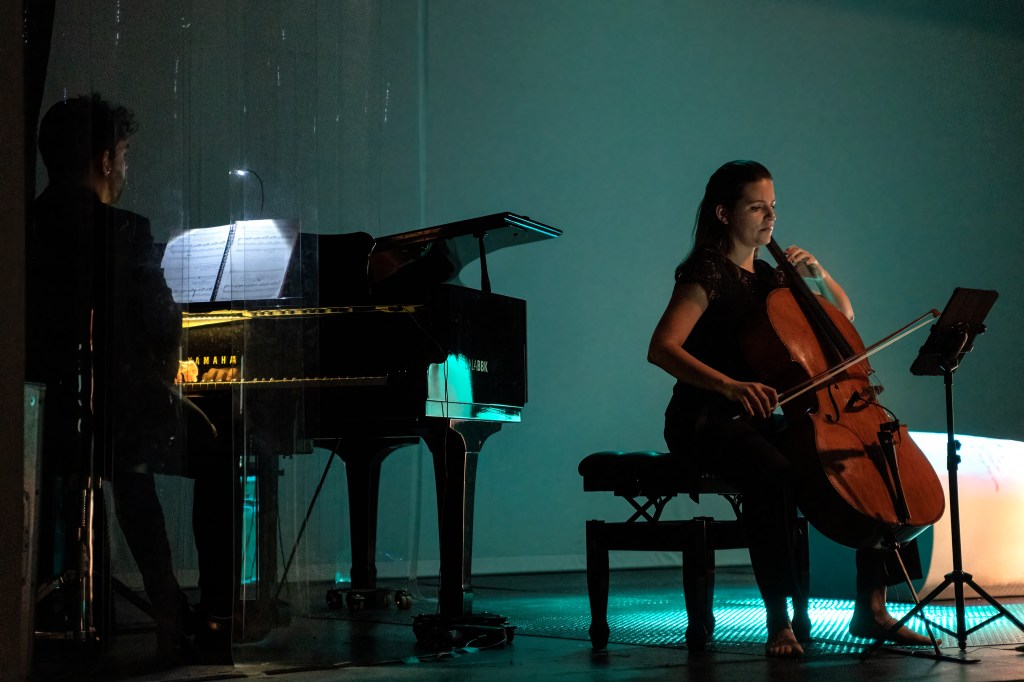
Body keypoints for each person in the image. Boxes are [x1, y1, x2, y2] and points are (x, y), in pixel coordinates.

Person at [647, 160, 932, 658]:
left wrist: (819, 275)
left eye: (773, 206)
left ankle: (873, 608)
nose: (771, 217)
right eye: (757, 207)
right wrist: (730, 386)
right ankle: (779, 620)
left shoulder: (769, 277)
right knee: (775, 473)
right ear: (724, 213)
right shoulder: (706, 271)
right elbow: (662, 348)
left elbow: (842, 317)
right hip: (705, 418)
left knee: (870, 456)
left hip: (758, 418)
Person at [26, 93, 239, 667]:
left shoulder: (24, 225)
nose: (125, 168)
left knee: (125, 455)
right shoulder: (124, 229)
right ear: (104, 160)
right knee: (217, 445)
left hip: (41, 420)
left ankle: (152, 599)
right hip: (109, 417)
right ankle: (206, 614)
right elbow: (163, 325)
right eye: (123, 155)